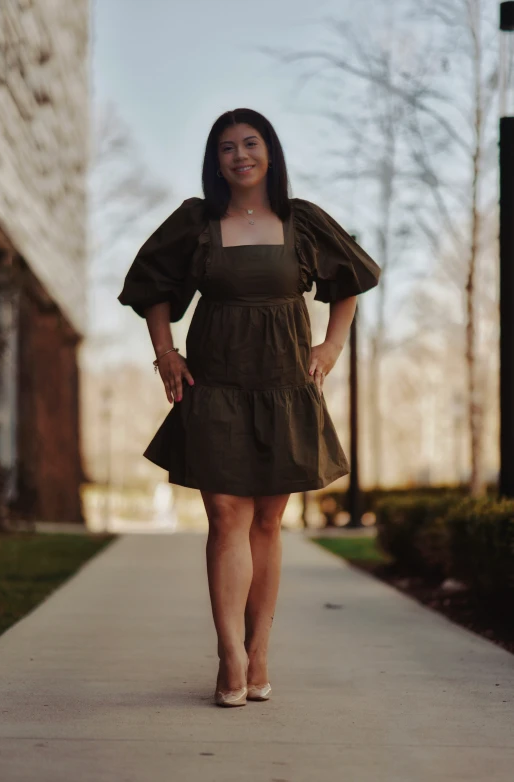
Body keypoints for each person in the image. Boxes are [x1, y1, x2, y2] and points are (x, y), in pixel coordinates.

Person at [118, 108, 381, 707]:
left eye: (250, 143)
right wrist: (165, 352)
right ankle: (230, 655)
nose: (239, 155)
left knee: (267, 521)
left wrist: (332, 345)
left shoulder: (303, 222)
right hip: (216, 385)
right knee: (224, 516)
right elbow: (153, 285)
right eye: (227, 146)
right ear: (216, 160)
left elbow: (349, 286)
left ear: (270, 151)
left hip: (285, 384)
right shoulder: (197, 221)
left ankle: (260, 649)